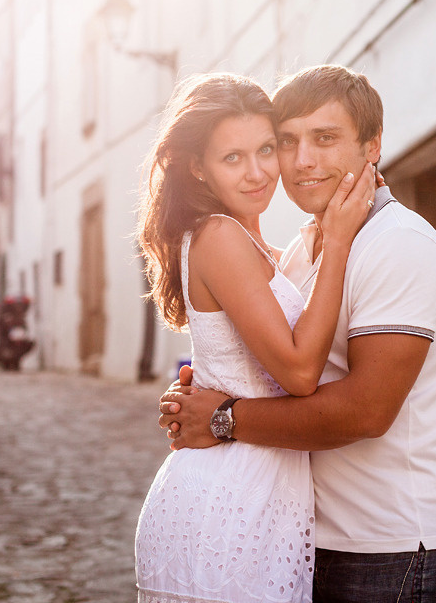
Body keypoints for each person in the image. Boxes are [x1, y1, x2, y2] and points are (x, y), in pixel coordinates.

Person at [159, 65, 436, 603]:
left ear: (373, 146)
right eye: (286, 141)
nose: (302, 160)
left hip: (401, 543)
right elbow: (265, 365)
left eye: (326, 138)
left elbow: (365, 411)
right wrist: (201, 390)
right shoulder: (299, 250)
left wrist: (221, 418)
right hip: (316, 535)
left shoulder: (397, 244)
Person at [133, 73, 376, 603]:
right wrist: (337, 242)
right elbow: (297, 373)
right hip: (229, 497)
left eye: (266, 149)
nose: (259, 172)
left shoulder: (258, 247)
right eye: (233, 158)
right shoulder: (219, 236)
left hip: (260, 487)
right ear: (198, 167)